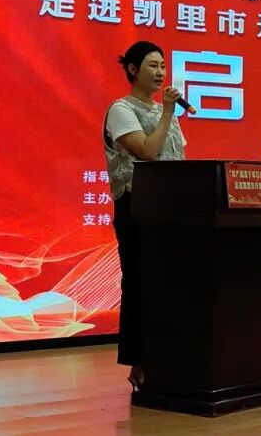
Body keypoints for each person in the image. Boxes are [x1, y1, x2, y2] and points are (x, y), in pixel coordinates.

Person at [102, 41, 188, 391]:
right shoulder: (120, 110)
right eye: (153, 66)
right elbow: (148, 152)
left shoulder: (166, 113)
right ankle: (140, 365)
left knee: (169, 285)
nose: (161, 73)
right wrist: (167, 112)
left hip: (170, 210)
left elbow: (176, 159)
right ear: (133, 69)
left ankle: (169, 359)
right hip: (137, 208)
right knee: (140, 284)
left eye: (163, 66)